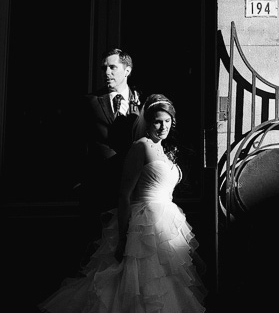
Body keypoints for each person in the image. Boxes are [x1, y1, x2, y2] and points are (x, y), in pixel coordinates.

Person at [40, 94, 206, 313]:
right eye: (157, 121)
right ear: (147, 122)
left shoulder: (166, 151)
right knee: (135, 283)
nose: (162, 126)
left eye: (167, 121)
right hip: (143, 222)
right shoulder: (140, 147)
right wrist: (123, 236)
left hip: (168, 223)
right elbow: (124, 195)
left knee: (168, 281)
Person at [79, 48, 142, 250]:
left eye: (112, 67)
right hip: (100, 188)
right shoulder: (91, 102)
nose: (107, 72)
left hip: (134, 187)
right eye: (104, 68)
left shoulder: (142, 101)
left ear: (127, 70)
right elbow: (80, 141)